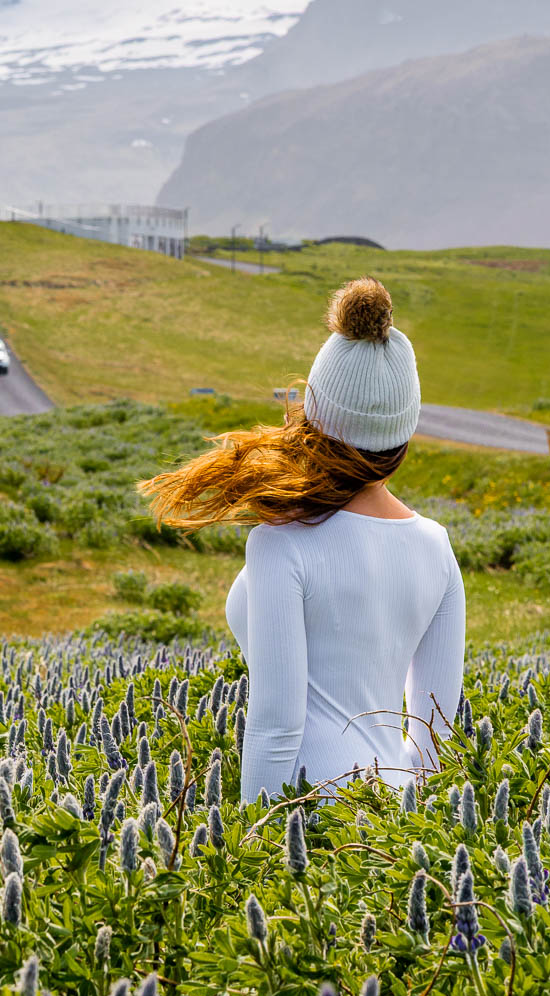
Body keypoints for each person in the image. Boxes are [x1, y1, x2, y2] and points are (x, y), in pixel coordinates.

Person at [140, 278, 464, 802]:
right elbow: (437, 737)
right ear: (404, 432)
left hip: (307, 809)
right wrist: (395, 809)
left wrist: (253, 851)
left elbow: (277, 727)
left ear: (316, 416)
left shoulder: (283, 543)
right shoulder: (436, 547)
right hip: (400, 821)